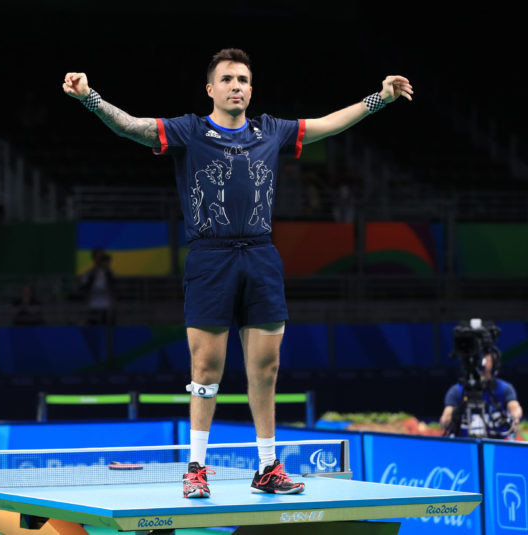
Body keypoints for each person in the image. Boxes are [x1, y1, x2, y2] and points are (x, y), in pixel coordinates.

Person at [63, 48, 413, 497]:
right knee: (206, 367)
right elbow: (132, 126)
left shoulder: (271, 131)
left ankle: (268, 467)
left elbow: (326, 124)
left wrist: (379, 99)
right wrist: (89, 96)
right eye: (227, 79)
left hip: (262, 257)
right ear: (211, 89)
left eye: (244, 79)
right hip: (211, 258)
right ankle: (195, 468)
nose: (237, 86)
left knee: (265, 368)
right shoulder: (188, 131)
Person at [440, 352, 523, 440]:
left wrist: (515, 416)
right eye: (478, 359)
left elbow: (515, 408)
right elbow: (445, 419)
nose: (481, 363)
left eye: (486, 359)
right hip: (466, 446)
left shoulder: (504, 388)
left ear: (494, 362)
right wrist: (448, 419)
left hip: (498, 446)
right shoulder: (457, 390)